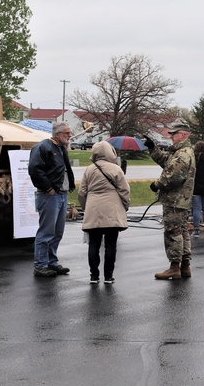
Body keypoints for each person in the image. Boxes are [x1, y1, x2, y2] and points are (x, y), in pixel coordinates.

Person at [144, 118, 196, 279]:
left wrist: (157, 184)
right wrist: (153, 148)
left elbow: (173, 176)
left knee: (172, 232)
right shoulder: (181, 152)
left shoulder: (183, 154)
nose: (171, 136)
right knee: (182, 231)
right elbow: (166, 162)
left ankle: (174, 266)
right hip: (180, 200)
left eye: (174, 134)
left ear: (183, 135)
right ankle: (185, 265)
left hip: (175, 199)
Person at [28, 121, 76, 278]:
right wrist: (48, 188)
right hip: (49, 195)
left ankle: (51, 262)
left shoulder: (61, 148)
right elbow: (34, 169)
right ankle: (40, 265)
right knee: (46, 232)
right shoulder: (43, 147)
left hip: (61, 194)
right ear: (57, 134)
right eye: (67, 133)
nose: (70, 136)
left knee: (57, 232)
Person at [78, 141, 130, 285]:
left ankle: (94, 276)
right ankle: (108, 276)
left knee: (93, 244)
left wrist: (86, 207)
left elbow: (82, 192)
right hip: (112, 209)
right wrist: (125, 205)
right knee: (110, 244)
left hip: (93, 209)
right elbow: (124, 190)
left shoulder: (89, 170)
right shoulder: (116, 169)